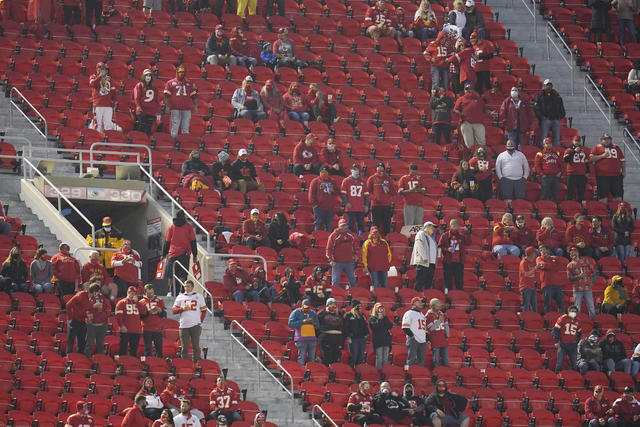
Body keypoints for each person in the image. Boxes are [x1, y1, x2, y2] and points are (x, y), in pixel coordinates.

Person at [173, 280, 206, 362]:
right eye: (185, 286)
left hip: (195, 325)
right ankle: (184, 364)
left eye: (188, 286)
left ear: (192, 287)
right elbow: (174, 310)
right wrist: (182, 309)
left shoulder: (199, 296)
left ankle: (196, 365)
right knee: (184, 347)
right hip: (183, 325)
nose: (186, 288)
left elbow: (204, 310)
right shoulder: (180, 296)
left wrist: (200, 321)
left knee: (196, 347)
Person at [164, 209, 197, 288]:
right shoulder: (188, 227)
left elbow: (167, 242)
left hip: (172, 254)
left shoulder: (171, 227)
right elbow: (193, 242)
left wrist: (163, 254)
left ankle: (170, 292)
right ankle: (183, 291)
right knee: (183, 274)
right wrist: (195, 255)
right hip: (184, 254)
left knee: (170, 275)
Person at [163, 65, 198, 139]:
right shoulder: (170, 83)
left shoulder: (189, 83)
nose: (181, 74)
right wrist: (167, 106)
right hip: (175, 108)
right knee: (174, 128)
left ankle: (184, 143)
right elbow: (166, 96)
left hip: (186, 109)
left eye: (183, 72)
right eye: (180, 72)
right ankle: (173, 143)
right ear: (177, 72)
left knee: (185, 128)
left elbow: (194, 96)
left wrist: (195, 106)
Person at [590, 133, 625, 202]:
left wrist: (624, 171)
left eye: (608, 139)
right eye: (605, 139)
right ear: (601, 140)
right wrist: (602, 156)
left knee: (618, 197)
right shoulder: (597, 147)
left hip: (616, 176)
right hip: (602, 176)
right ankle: (604, 211)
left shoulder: (616, 147)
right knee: (603, 198)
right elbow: (591, 159)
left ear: (611, 140)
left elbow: (622, 160)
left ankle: (616, 211)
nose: (607, 141)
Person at [438, 219, 471, 291]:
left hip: (459, 262)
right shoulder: (444, 236)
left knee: (459, 282)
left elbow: (468, 242)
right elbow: (440, 247)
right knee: (447, 282)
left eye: (456, 225)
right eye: (453, 225)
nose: (455, 227)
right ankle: (447, 295)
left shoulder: (461, 236)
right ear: (450, 226)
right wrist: (447, 249)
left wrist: (466, 232)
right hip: (448, 262)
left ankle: (459, 295)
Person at [453, 82, 488, 148]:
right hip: (466, 123)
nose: (469, 91)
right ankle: (472, 156)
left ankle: (481, 156)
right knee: (469, 144)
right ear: (464, 90)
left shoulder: (478, 99)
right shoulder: (460, 99)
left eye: (470, 89)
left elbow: (485, 109)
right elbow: (455, 109)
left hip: (478, 123)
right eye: (467, 89)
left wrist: (490, 112)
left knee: (482, 142)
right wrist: (460, 113)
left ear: (473, 90)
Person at [326, 218, 359, 289]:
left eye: (345, 226)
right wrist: (330, 259)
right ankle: (334, 295)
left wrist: (356, 254)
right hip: (337, 262)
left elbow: (355, 245)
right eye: (342, 226)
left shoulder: (351, 235)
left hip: (349, 261)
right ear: (338, 226)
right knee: (335, 280)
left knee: (352, 280)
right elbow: (329, 249)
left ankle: (354, 294)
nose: (343, 227)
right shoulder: (333, 235)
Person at [367, 162, 397, 235]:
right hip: (376, 205)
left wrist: (388, 190)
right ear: (376, 168)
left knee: (387, 224)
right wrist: (375, 198)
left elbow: (394, 192)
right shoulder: (372, 178)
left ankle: (386, 241)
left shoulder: (388, 179)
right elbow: (367, 192)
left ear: (384, 168)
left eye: (381, 167)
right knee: (375, 225)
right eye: (378, 167)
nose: (380, 168)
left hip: (386, 205)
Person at [567, 246, 597, 318]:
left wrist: (593, 281)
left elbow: (594, 271)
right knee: (577, 308)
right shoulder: (569, 265)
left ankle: (593, 322)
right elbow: (569, 278)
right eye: (571, 252)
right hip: (577, 289)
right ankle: (576, 322)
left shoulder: (585, 260)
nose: (573, 253)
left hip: (587, 287)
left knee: (591, 307)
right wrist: (579, 277)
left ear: (578, 252)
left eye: (574, 251)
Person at [287, 298, 319, 365]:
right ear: (302, 306)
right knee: (301, 357)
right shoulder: (296, 312)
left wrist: (313, 323)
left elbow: (317, 326)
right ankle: (300, 372)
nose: (307, 310)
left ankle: (311, 372)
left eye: (308, 308)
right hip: (301, 339)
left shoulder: (313, 313)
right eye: (305, 308)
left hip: (312, 338)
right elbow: (290, 323)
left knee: (312, 358)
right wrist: (302, 322)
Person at [534, 79, 566, 146]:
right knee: (544, 138)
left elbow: (562, 108)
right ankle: (543, 152)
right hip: (545, 120)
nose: (548, 87)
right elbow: (537, 108)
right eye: (547, 85)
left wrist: (559, 117)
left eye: (550, 85)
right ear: (544, 86)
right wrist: (542, 117)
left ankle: (557, 153)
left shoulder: (557, 96)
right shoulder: (540, 96)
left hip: (555, 120)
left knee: (557, 138)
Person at [115, 286, 145, 356]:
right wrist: (121, 325)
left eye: (134, 294)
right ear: (127, 293)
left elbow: (143, 312)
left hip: (136, 330)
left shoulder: (138, 303)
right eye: (130, 293)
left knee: (134, 351)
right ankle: (122, 364)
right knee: (123, 350)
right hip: (126, 330)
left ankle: (132, 364)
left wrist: (137, 303)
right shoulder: (121, 303)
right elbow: (119, 316)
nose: (132, 295)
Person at [537, 244, 567, 313]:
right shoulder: (539, 259)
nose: (542, 252)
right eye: (541, 250)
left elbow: (558, 267)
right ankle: (548, 319)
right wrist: (552, 265)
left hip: (557, 285)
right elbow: (542, 266)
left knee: (561, 304)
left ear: (548, 250)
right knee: (547, 305)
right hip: (546, 285)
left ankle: (561, 320)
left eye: (544, 249)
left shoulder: (555, 258)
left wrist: (547, 266)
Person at [551, 305, 582, 372]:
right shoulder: (563, 318)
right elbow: (555, 330)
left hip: (573, 345)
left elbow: (579, 333)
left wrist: (577, 341)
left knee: (574, 363)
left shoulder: (578, 320)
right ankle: (557, 375)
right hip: (563, 344)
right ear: (568, 311)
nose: (573, 313)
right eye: (572, 311)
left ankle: (574, 377)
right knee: (559, 363)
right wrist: (556, 341)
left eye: (575, 311)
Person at [341, 164, 369, 235]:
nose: (355, 171)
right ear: (351, 170)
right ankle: (350, 238)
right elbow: (343, 194)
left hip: (360, 208)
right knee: (350, 225)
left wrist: (366, 205)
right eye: (354, 169)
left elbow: (366, 195)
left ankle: (360, 239)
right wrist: (347, 203)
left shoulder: (363, 181)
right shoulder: (346, 181)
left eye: (356, 169)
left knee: (361, 225)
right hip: (351, 208)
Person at [84, 282, 111, 357]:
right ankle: (87, 359)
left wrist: (105, 316)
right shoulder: (87, 297)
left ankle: (100, 360)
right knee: (89, 344)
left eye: (98, 291)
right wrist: (92, 307)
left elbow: (107, 308)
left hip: (102, 324)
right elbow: (84, 309)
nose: (97, 293)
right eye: (95, 291)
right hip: (91, 324)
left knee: (100, 345)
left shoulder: (103, 298)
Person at [308, 167, 338, 231]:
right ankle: (317, 239)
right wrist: (315, 205)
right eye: (322, 172)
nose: (324, 173)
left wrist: (333, 190)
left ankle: (327, 240)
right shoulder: (315, 181)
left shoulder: (333, 181)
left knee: (329, 225)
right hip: (319, 207)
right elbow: (311, 194)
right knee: (318, 224)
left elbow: (338, 192)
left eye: (325, 172)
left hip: (330, 208)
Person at [140, 284, 166, 358]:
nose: (151, 294)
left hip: (157, 328)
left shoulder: (159, 300)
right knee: (147, 349)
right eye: (148, 293)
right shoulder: (141, 302)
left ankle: (159, 365)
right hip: (146, 328)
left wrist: (160, 310)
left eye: (152, 292)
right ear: (145, 292)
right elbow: (140, 316)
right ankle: (148, 365)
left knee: (159, 350)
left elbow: (164, 315)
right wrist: (148, 312)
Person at [132, 68, 161, 135]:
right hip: (142, 111)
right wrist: (138, 106)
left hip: (151, 112)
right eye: (146, 75)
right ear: (143, 76)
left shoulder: (154, 87)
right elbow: (136, 97)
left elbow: (156, 99)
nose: (148, 77)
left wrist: (158, 110)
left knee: (148, 129)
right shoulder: (139, 85)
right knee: (141, 128)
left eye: (149, 75)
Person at [411, 221, 438, 291]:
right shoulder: (421, 234)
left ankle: (426, 296)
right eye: (432, 227)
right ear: (426, 227)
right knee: (419, 281)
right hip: (423, 262)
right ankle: (416, 296)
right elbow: (419, 245)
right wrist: (424, 257)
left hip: (431, 263)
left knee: (428, 282)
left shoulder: (431, 237)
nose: (433, 229)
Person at [90, 62, 116, 132]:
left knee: (108, 124)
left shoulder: (109, 79)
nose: (102, 70)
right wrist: (100, 76)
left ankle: (107, 139)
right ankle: (96, 139)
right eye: (100, 68)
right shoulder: (93, 76)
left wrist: (113, 101)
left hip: (108, 105)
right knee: (97, 125)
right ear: (97, 69)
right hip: (98, 104)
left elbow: (113, 90)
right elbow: (93, 84)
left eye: (103, 69)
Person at [65, 283, 91, 354]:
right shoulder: (80, 295)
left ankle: (80, 357)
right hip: (74, 320)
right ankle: (68, 356)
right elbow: (68, 305)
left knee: (82, 341)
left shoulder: (92, 298)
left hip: (83, 321)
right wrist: (70, 318)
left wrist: (87, 316)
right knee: (71, 340)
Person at [535, 137, 563, 203]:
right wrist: (542, 175)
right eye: (547, 143)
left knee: (555, 195)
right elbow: (537, 166)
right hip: (545, 177)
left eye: (550, 143)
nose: (549, 145)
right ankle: (543, 208)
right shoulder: (540, 154)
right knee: (544, 194)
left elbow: (561, 164)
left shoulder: (557, 153)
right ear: (544, 145)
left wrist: (560, 172)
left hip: (555, 176)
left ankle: (555, 209)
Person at [317, 297, 344, 366]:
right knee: (326, 357)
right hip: (326, 337)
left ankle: (333, 373)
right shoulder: (322, 313)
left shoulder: (339, 314)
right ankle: (325, 371)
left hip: (337, 338)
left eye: (334, 304)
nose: (332, 306)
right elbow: (317, 325)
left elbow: (344, 326)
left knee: (335, 357)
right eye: (330, 304)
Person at [402, 297, 428, 367]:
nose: (420, 303)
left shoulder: (422, 315)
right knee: (411, 359)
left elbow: (424, 329)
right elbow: (405, 327)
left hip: (422, 340)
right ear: (413, 303)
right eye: (418, 301)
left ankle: (418, 374)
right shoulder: (409, 313)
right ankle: (407, 374)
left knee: (421, 360)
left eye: (421, 302)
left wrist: (426, 338)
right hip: (413, 339)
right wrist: (412, 336)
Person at [564, 137, 590, 202]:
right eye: (576, 141)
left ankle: (579, 207)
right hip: (572, 174)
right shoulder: (568, 150)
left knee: (581, 193)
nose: (577, 142)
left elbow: (586, 161)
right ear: (573, 141)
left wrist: (587, 171)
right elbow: (566, 160)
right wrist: (574, 151)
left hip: (581, 174)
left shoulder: (583, 150)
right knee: (570, 192)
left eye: (578, 141)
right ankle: (568, 207)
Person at [343, 299, 369, 367]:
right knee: (353, 356)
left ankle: (358, 371)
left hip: (362, 338)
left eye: (360, 306)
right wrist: (348, 337)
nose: (360, 308)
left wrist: (367, 333)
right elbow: (345, 327)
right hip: (353, 339)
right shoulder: (348, 315)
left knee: (361, 356)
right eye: (358, 306)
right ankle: (351, 370)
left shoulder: (362, 315)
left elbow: (365, 325)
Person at [426, 298, 449, 368]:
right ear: (432, 306)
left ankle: (445, 374)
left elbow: (446, 324)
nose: (439, 307)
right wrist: (439, 321)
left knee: (445, 360)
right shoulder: (428, 316)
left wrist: (447, 332)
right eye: (437, 306)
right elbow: (431, 328)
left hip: (443, 339)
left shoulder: (441, 314)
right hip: (435, 341)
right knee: (436, 361)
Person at [369, 302, 392, 370]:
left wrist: (383, 317)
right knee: (379, 357)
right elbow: (375, 327)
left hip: (386, 340)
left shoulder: (385, 318)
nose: (380, 309)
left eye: (381, 308)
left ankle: (384, 371)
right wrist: (379, 318)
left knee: (386, 357)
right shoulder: (372, 318)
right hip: (378, 340)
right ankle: (378, 371)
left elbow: (390, 326)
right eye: (378, 308)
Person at [519, 246, 539, 312]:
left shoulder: (533, 261)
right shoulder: (523, 262)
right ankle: (526, 319)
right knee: (526, 306)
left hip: (532, 286)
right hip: (525, 287)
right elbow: (526, 274)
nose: (535, 255)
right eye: (534, 253)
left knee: (534, 306)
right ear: (531, 254)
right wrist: (535, 268)